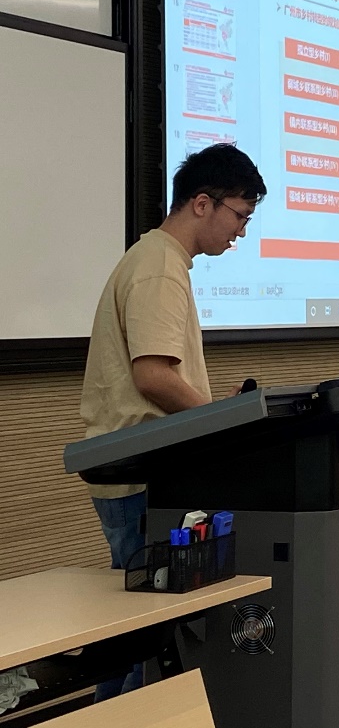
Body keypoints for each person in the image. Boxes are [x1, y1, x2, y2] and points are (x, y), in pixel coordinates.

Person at [77, 144, 265, 699]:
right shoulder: (159, 266)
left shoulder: (159, 260)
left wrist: (215, 406)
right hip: (142, 477)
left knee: (136, 631)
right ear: (202, 203)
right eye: (239, 216)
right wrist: (219, 417)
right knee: (146, 634)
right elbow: (153, 376)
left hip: (142, 469)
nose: (240, 233)